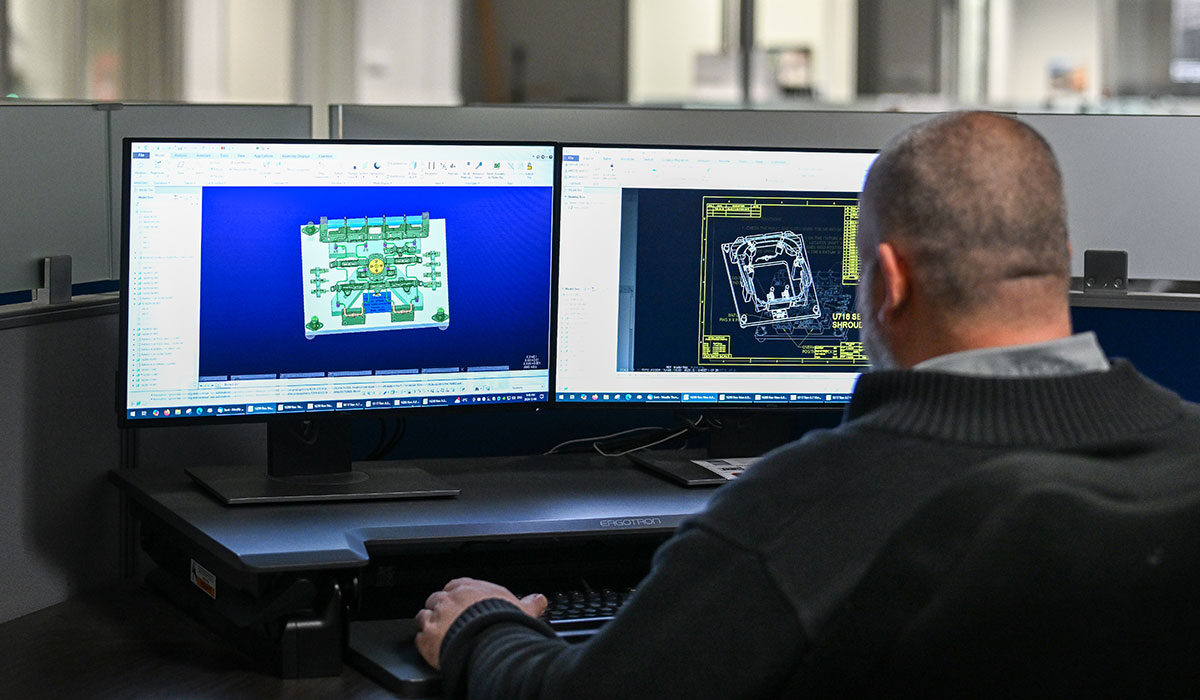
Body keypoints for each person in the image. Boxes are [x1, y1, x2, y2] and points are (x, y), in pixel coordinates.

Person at [414, 111, 1200, 698]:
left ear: (888, 283)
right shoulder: (1184, 450)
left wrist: (483, 630)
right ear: (1059, 263)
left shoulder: (807, 506)